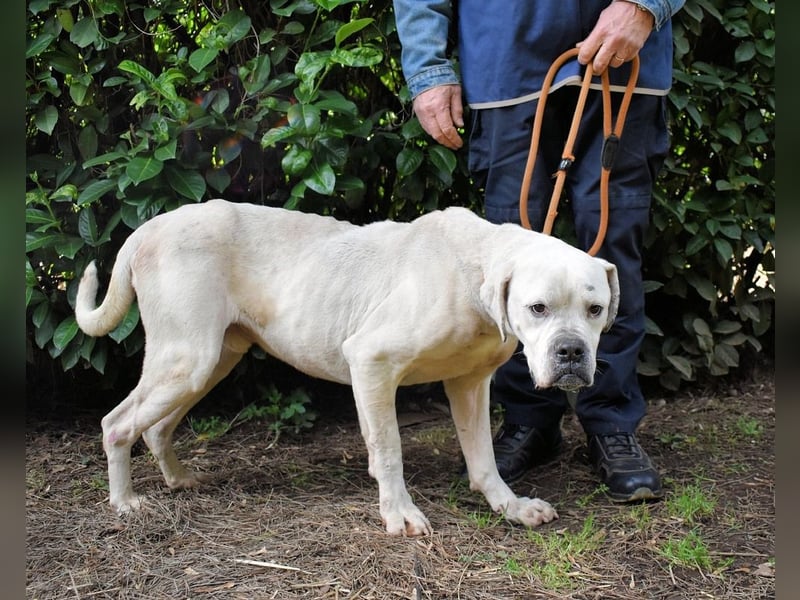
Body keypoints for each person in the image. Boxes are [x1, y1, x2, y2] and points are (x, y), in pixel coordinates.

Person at [392, 0, 686, 502]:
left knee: (614, 252)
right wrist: (428, 68)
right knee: (510, 264)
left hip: (626, 66)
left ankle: (612, 425)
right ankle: (527, 419)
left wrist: (645, 6)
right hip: (505, 66)